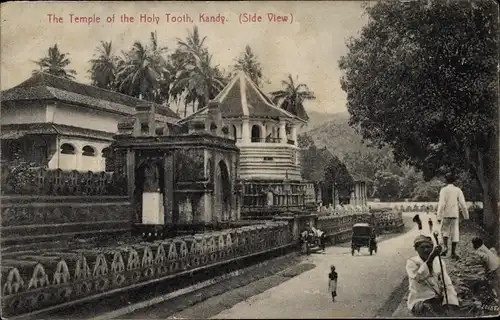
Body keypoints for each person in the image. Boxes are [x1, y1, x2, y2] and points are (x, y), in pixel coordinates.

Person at [406, 235, 459, 317]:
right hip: (421, 300)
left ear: (432, 248)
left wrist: (450, 301)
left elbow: (447, 283)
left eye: (428, 247)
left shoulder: (439, 261)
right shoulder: (412, 262)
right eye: (422, 247)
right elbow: (419, 277)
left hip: (438, 298)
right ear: (416, 249)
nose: (426, 250)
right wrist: (430, 259)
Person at [437, 173, 469, 260]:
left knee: (445, 231)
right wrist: (466, 216)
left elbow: (442, 204)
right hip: (455, 214)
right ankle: (453, 252)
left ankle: (446, 248)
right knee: (455, 232)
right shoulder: (458, 190)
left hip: (446, 214)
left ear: (446, 180)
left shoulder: (444, 190)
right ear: (454, 180)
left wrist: (439, 216)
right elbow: (463, 204)